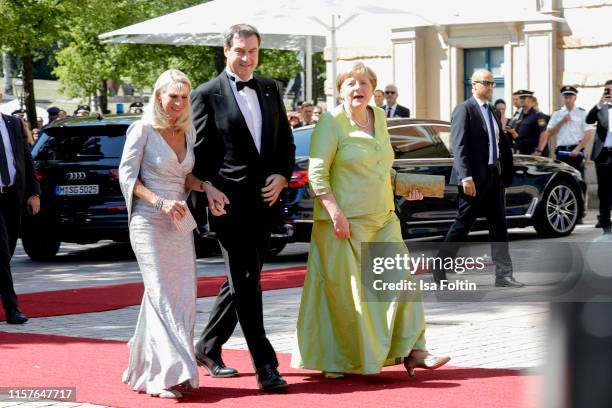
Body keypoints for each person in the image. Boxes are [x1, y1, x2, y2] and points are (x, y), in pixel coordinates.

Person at [291, 62, 450, 378]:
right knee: (354, 298)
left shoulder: (379, 118)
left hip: (384, 217)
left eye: (363, 83)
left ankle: (414, 350)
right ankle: (351, 359)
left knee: (402, 281)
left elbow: (381, 169)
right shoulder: (331, 123)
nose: (357, 88)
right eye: (350, 83)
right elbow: (317, 175)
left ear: (373, 89)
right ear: (340, 90)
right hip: (345, 225)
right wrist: (335, 214)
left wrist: (408, 187)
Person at [189, 23, 295, 392]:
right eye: (240, 51)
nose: (246, 58)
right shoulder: (205, 95)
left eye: (252, 51)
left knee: (242, 280)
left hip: (266, 203)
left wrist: (282, 176)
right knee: (248, 282)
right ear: (226, 51)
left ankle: (207, 346)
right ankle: (266, 365)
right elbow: (198, 157)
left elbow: (285, 143)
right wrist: (208, 190)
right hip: (228, 206)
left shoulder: (269, 88)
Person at [119, 69, 199, 399]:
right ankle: (164, 377)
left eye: (183, 97)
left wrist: (207, 187)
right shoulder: (142, 129)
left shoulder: (187, 131)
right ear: (158, 96)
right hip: (148, 222)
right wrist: (159, 202)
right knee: (161, 294)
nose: (178, 103)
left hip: (179, 221)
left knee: (181, 294)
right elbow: (127, 177)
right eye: (172, 96)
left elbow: (185, 177)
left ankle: (147, 368)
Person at [435, 69, 524, 288]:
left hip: (494, 176)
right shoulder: (464, 109)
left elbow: (499, 142)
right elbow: (459, 145)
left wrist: (506, 170)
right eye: (486, 83)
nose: (491, 87)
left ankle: (503, 275)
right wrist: (465, 177)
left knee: (499, 226)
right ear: (473, 84)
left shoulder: (493, 110)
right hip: (473, 178)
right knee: (463, 224)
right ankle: (439, 269)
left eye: (493, 83)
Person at [0, 91, 41, 325]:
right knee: (2, 255)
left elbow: (27, 159)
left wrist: (34, 192)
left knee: (7, 251)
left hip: (12, 198)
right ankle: (12, 309)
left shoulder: (13, 124)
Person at [546, 86, 593, 177]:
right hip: (562, 151)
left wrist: (578, 149)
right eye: (565, 97)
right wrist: (562, 121)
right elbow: (549, 133)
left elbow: (589, 133)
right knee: (563, 178)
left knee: (578, 178)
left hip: (576, 150)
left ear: (575, 97)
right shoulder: (557, 113)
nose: (568, 100)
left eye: (570, 97)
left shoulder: (582, 113)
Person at [586, 79, 612, 235]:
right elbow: (588, 120)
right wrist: (599, 104)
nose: (609, 93)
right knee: (604, 190)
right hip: (602, 154)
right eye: (607, 90)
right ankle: (605, 223)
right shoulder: (600, 108)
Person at [507, 90, 548, 156]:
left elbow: (544, 133)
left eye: (524, 98)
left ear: (530, 99)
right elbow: (519, 136)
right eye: (520, 98)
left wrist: (539, 151)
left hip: (534, 153)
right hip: (522, 152)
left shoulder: (538, 115)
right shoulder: (518, 115)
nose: (521, 100)